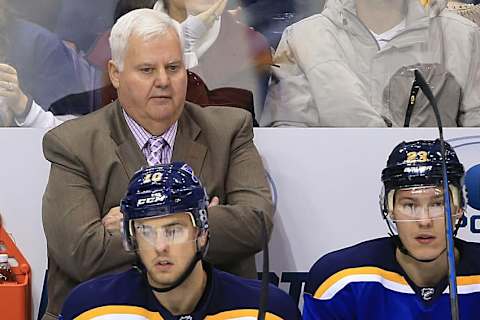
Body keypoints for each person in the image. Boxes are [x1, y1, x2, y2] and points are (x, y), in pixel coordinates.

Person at [41, 8, 273, 320]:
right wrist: (197, 219)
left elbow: (255, 224)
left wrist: (131, 223)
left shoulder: (229, 130)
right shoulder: (73, 145)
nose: (163, 81)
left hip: (213, 311)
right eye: (147, 70)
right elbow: (82, 253)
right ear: (115, 73)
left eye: (174, 67)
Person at [59, 162, 299, 319]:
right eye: (146, 231)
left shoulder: (269, 311)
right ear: (131, 237)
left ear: (202, 232)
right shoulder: (89, 309)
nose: (159, 246)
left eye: (173, 231)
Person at [303, 139, 480, 319]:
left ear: (459, 209)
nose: (424, 220)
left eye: (438, 204)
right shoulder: (340, 281)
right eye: (410, 205)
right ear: (389, 209)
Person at [260, 0, 480, 127]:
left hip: (433, 199)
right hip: (333, 188)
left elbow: (474, 142)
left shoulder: (462, 37)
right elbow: (291, 137)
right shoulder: (305, 37)